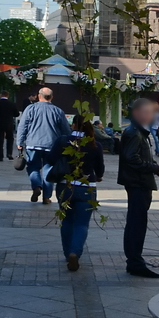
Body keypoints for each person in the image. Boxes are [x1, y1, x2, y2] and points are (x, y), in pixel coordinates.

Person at [117, 97, 159, 278]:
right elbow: (132, 158)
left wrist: (156, 168)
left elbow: (139, 157)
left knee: (137, 222)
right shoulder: (134, 133)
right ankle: (135, 262)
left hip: (139, 182)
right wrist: (155, 168)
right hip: (137, 183)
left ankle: (135, 260)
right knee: (136, 224)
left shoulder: (138, 132)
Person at [48, 115, 105, 272]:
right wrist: (98, 176)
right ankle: (75, 252)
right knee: (81, 224)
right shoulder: (95, 145)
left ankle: (68, 254)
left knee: (66, 221)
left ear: (73, 125)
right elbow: (100, 169)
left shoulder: (62, 141)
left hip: (64, 186)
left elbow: (51, 159)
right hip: (87, 188)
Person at [16, 87, 72, 204]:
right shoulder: (58, 111)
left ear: (39, 96)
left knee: (33, 168)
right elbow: (66, 130)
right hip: (52, 146)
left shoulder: (30, 108)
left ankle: (36, 186)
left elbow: (23, 126)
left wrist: (19, 142)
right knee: (49, 170)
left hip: (33, 144)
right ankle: (46, 197)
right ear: (51, 97)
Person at [0, 90, 19, 161]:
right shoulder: (12, 104)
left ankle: (0, 155)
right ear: (7, 96)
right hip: (9, 124)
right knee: (10, 139)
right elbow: (16, 114)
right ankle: (9, 154)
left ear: (0, 95)